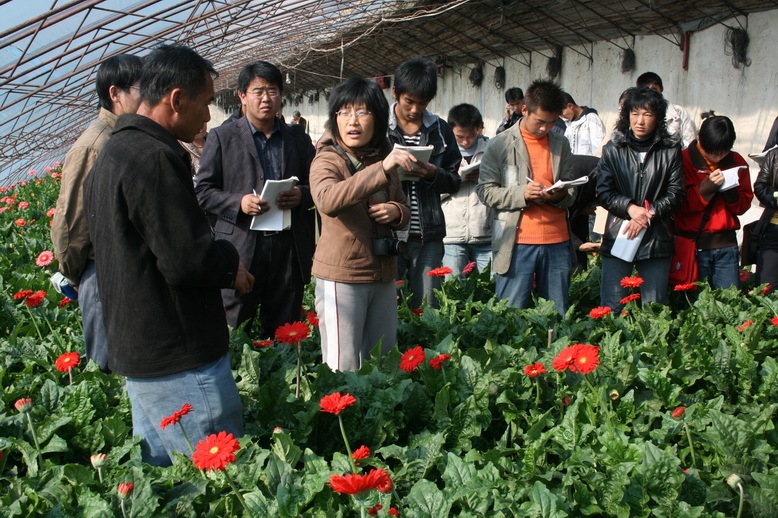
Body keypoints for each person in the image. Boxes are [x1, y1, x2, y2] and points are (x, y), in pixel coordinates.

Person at [83, 45, 252, 466]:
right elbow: (185, 259)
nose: (208, 117)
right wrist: (232, 266)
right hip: (178, 352)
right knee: (212, 480)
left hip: (141, 349)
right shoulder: (152, 158)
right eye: (207, 102)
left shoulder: (113, 153)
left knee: (164, 478)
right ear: (177, 99)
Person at [196, 61, 315, 336]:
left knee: (285, 326)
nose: (265, 98)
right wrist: (239, 203)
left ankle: (283, 376)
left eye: (272, 91)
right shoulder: (222, 137)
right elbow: (203, 191)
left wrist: (300, 195)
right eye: (258, 91)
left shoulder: (296, 137)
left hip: (288, 246)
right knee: (237, 325)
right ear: (242, 96)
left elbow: (318, 184)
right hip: (242, 248)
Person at [50, 54, 143, 372]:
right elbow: (72, 222)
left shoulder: (125, 138)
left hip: (124, 268)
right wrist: (73, 272)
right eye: (141, 88)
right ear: (115, 93)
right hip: (100, 271)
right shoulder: (94, 146)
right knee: (108, 367)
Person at [310, 78, 411, 371]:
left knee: (383, 358)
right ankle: (340, 414)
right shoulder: (327, 159)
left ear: (378, 119)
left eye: (362, 112)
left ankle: (380, 416)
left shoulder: (383, 157)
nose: (352, 121)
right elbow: (328, 199)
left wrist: (395, 211)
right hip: (344, 275)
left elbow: (403, 204)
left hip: (382, 271)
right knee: (343, 364)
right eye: (344, 112)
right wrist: (381, 169)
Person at [477, 79, 576, 316]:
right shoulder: (500, 144)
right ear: (524, 110)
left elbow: (571, 191)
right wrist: (522, 193)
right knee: (510, 315)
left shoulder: (560, 143)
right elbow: (485, 191)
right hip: (516, 240)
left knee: (556, 315)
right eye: (540, 122)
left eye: (552, 123)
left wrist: (557, 194)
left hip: (557, 240)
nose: (545, 129)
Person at [596, 86, 684, 309]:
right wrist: (630, 209)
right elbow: (604, 191)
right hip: (620, 232)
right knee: (612, 303)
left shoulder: (670, 151)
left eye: (647, 114)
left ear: (658, 117)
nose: (640, 121)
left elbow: (676, 193)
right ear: (627, 116)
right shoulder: (613, 149)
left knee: (653, 306)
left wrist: (648, 214)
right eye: (635, 113)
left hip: (656, 237)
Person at [388, 58, 461, 309]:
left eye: (423, 103)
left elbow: (454, 181)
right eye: (409, 101)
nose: (415, 109)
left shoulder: (440, 129)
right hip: (390, 236)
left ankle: (425, 349)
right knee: (389, 309)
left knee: (428, 310)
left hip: (427, 235)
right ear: (395, 92)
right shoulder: (379, 130)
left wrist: (432, 173)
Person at [674, 115, 752, 289]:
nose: (717, 157)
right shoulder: (683, 160)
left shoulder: (736, 162)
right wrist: (706, 188)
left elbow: (743, 206)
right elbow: (679, 206)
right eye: (711, 152)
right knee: (693, 304)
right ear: (699, 139)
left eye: (722, 152)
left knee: (728, 303)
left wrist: (730, 190)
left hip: (726, 246)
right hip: (692, 245)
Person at [441, 103, 492, 276]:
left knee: (489, 290)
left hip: (486, 233)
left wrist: (483, 180)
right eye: (459, 136)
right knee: (454, 290)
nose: (465, 141)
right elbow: (432, 191)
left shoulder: (492, 150)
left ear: (479, 128)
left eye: (470, 136)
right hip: (452, 234)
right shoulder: (442, 153)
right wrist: (454, 179)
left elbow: (506, 186)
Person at [637, 72, 697, 148]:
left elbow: (689, 143)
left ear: (661, 89)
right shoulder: (634, 114)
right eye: (646, 90)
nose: (651, 93)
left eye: (654, 89)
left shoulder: (679, 112)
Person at [754, 147, 778, 293]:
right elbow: (760, 186)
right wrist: (775, 197)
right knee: (765, 289)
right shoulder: (774, 155)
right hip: (774, 230)